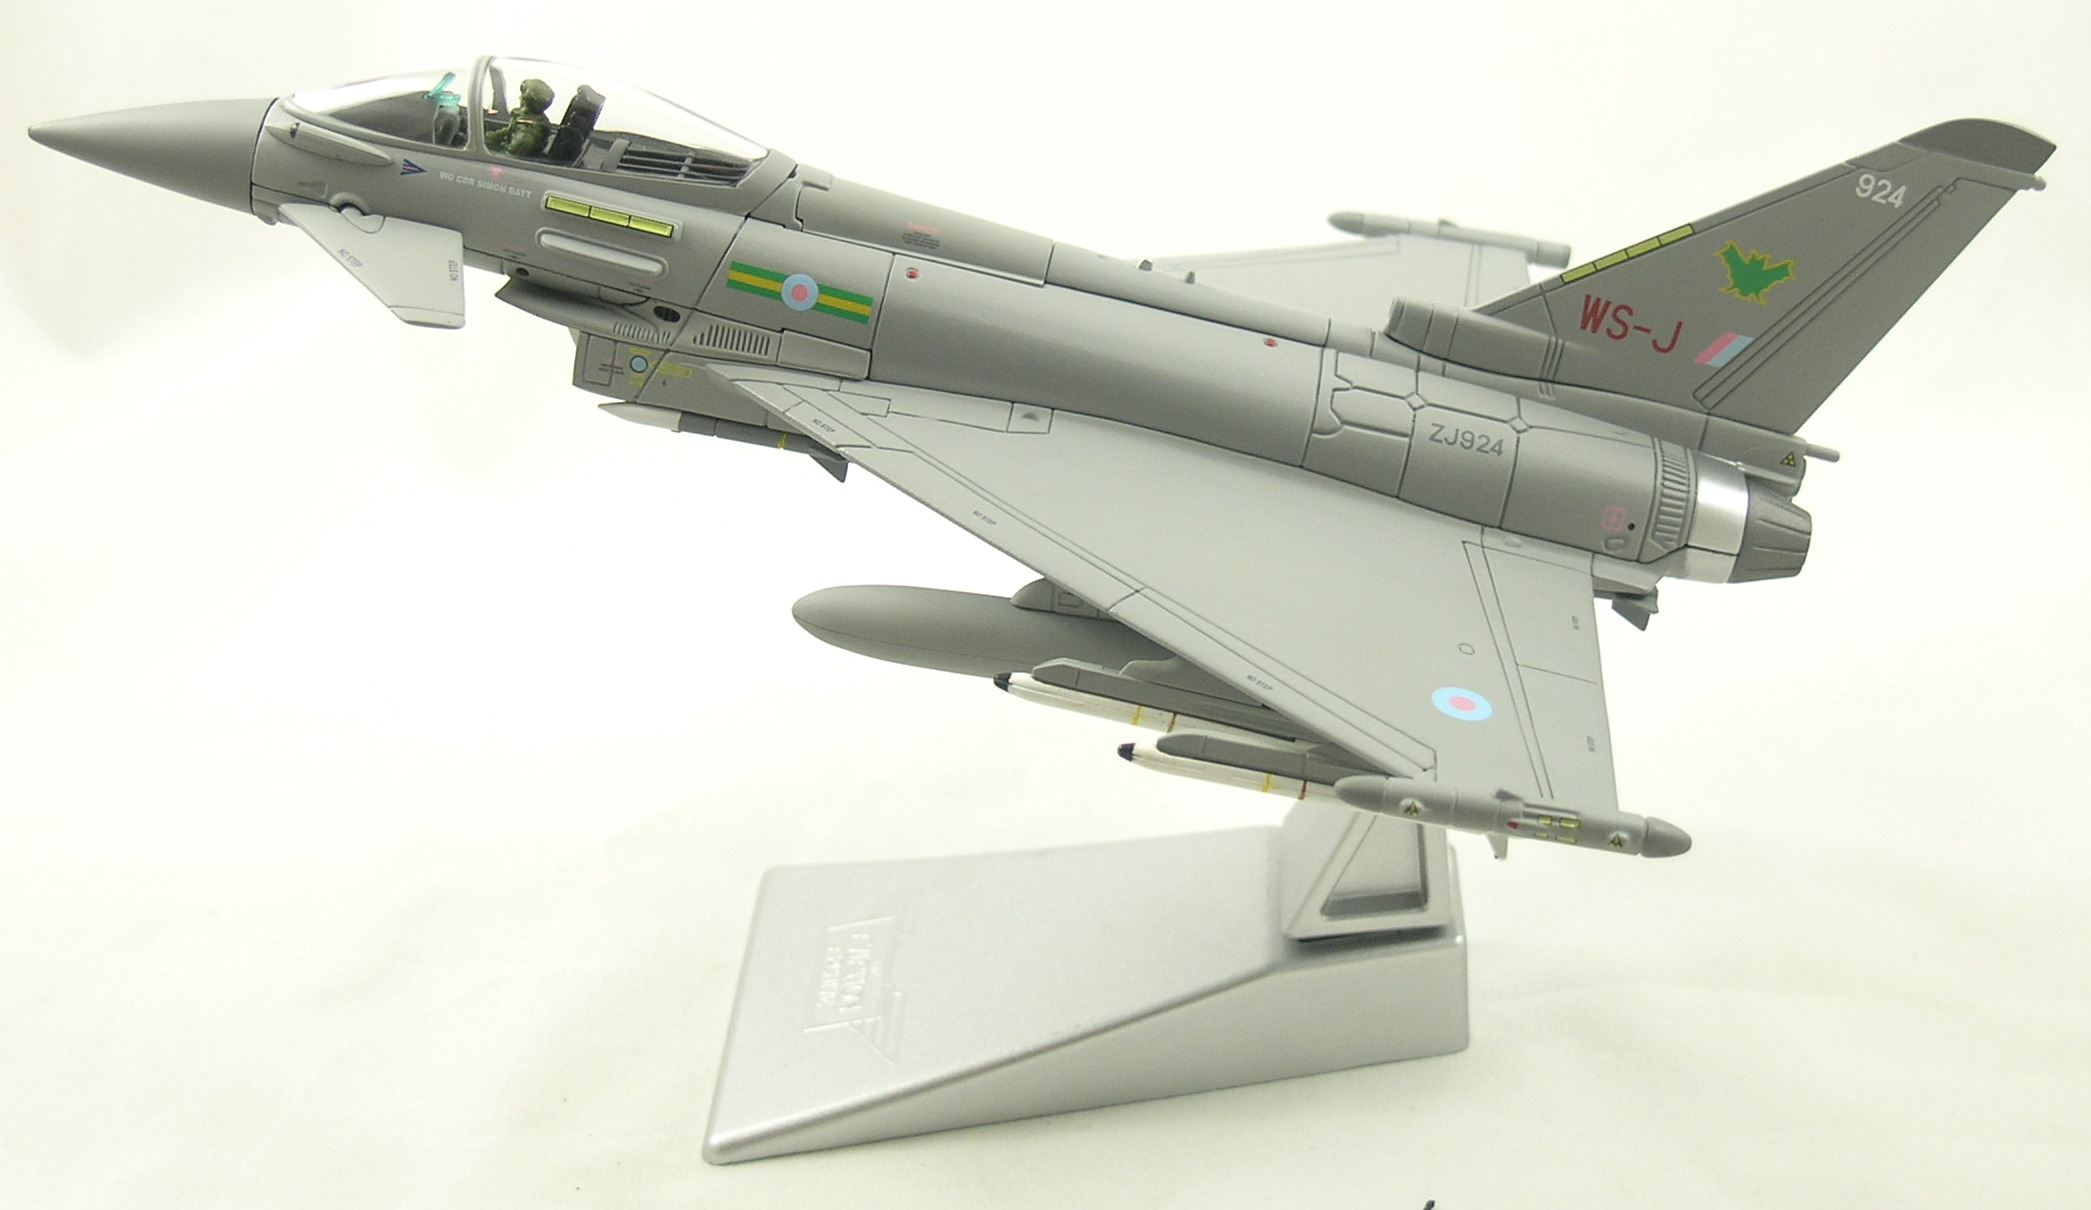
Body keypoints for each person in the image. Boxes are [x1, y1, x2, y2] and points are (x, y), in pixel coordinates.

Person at [486, 78, 554, 158]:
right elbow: (503, 133)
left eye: (522, 96)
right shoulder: (525, 119)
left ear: (527, 101)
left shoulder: (527, 133)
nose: (519, 97)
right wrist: (483, 138)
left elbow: (509, 158)